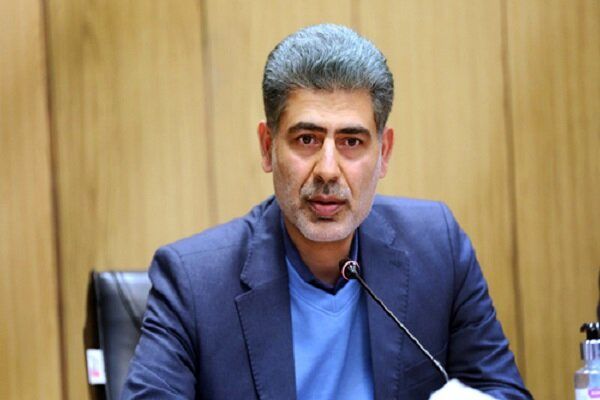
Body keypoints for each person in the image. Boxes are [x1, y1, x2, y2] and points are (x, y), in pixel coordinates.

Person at [122, 24, 531, 399]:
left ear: (384, 153)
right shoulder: (194, 282)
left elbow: (501, 390)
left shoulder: (437, 248)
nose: (328, 170)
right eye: (307, 139)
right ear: (267, 147)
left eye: (352, 142)